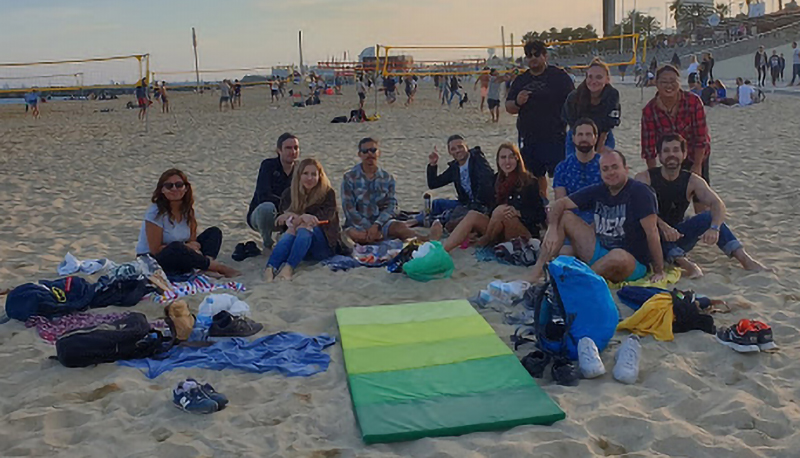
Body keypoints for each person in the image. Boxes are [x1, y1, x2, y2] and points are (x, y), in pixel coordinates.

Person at [634, 134, 770, 278]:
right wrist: (662, 226)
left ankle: (745, 259)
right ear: (659, 156)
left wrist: (714, 228)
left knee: (708, 217)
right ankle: (687, 265)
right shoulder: (644, 179)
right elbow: (637, 211)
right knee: (654, 235)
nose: (671, 155)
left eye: (676, 150)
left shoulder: (692, 181)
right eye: (666, 151)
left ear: (684, 154)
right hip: (651, 235)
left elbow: (718, 204)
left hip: (679, 235)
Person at [528, 150, 665, 284]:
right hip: (600, 249)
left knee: (618, 255)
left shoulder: (640, 192)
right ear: (600, 173)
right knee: (565, 217)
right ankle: (536, 274)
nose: (610, 172)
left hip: (631, 261)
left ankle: (580, 281)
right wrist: (551, 228)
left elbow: (652, 233)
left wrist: (659, 270)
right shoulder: (599, 190)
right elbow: (560, 203)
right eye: (605, 169)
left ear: (626, 169)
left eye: (615, 167)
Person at [442, 142, 546, 252]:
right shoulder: (496, 180)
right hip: (497, 229)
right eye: (503, 157)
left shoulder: (529, 182)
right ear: (498, 161)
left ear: (517, 159)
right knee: (473, 215)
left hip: (521, 230)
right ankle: (444, 250)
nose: (507, 161)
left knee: (502, 210)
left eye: (511, 157)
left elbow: (540, 215)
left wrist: (519, 213)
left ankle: (484, 241)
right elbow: (490, 209)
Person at [136, 169, 239, 277]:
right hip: (155, 259)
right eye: (169, 186)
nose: (174, 189)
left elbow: (192, 241)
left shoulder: (188, 211)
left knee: (214, 233)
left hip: (183, 254)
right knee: (176, 248)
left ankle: (206, 265)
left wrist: (191, 247)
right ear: (162, 190)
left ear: (185, 188)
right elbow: (155, 250)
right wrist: (186, 247)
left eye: (179, 185)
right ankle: (218, 267)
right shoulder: (155, 212)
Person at [506, 40, 575, 197]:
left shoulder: (559, 76)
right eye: (529, 55)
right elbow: (509, 107)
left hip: (556, 136)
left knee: (562, 178)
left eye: (537, 54)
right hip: (530, 139)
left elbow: (574, 101)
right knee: (534, 179)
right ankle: (542, 208)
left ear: (545, 56)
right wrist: (517, 102)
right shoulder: (521, 80)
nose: (533, 58)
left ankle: (562, 209)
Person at [342, 138, 442, 244]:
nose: (369, 154)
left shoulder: (387, 177)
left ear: (379, 152)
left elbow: (391, 205)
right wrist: (368, 227)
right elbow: (348, 208)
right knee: (354, 235)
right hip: (358, 224)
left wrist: (377, 225)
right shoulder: (349, 177)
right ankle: (376, 238)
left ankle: (426, 238)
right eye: (365, 151)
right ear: (360, 154)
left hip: (381, 223)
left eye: (373, 150)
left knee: (400, 227)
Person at [264, 159, 341, 282]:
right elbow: (280, 221)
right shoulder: (289, 194)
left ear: (319, 176)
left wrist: (299, 217)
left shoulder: (327, 194)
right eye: (305, 173)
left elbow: (325, 218)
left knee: (304, 227)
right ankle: (271, 267)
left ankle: (289, 268)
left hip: (322, 245)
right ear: (299, 175)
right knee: (291, 230)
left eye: (313, 174)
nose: (309, 178)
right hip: (297, 244)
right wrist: (296, 217)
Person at [641, 65, 710, 185]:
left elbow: (701, 137)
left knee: (699, 194)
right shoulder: (649, 110)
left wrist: (697, 165)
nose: (669, 85)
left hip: (696, 153)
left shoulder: (694, 102)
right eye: (664, 82)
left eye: (673, 81)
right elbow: (649, 147)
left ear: (679, 83)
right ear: (656, 84)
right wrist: (653, 175)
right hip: (669, 157)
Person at [423, 134, 496, 229]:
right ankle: (417, 220)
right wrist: (433, 165)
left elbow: (486, 184)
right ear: (449, 152)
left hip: (481, 206)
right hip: (465, 203)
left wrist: (474, 206)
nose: (457, 151)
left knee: (451, 216)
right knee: (436, 203)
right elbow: (433, 184)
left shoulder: (477, 160)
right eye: (453, 149)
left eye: (460, 147)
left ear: (467, 147)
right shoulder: (455, 167)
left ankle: (419, 221)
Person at [248, 133, 300, 250]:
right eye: (288, 148)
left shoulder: (300, 169)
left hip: (290, 216)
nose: (293, 151)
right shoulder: (268, 166)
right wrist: (285, 209)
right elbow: (264, 195)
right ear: (279, 150)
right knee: (267, 207)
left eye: (296, 148)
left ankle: (284, 235)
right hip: (262, 215)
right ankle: (267, 242)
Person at [562, 58, 620, 157]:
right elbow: (571, 124)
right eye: (590, 77)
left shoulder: (612, 95)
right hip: (578, 133)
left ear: (607, 79)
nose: (594, 81)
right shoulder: (574, 97)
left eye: (598, 77)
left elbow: (608, 124)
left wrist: (598, 150)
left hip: (603, 133)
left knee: (601, 166)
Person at [552, 119, 603, 224]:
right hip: (571, 221)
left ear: (596, 138)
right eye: (580, 134)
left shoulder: (605, 165)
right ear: (573, 138)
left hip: (601, 221)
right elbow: (561, 202)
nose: (584, 138)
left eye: (588, 135)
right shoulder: (562, 168)